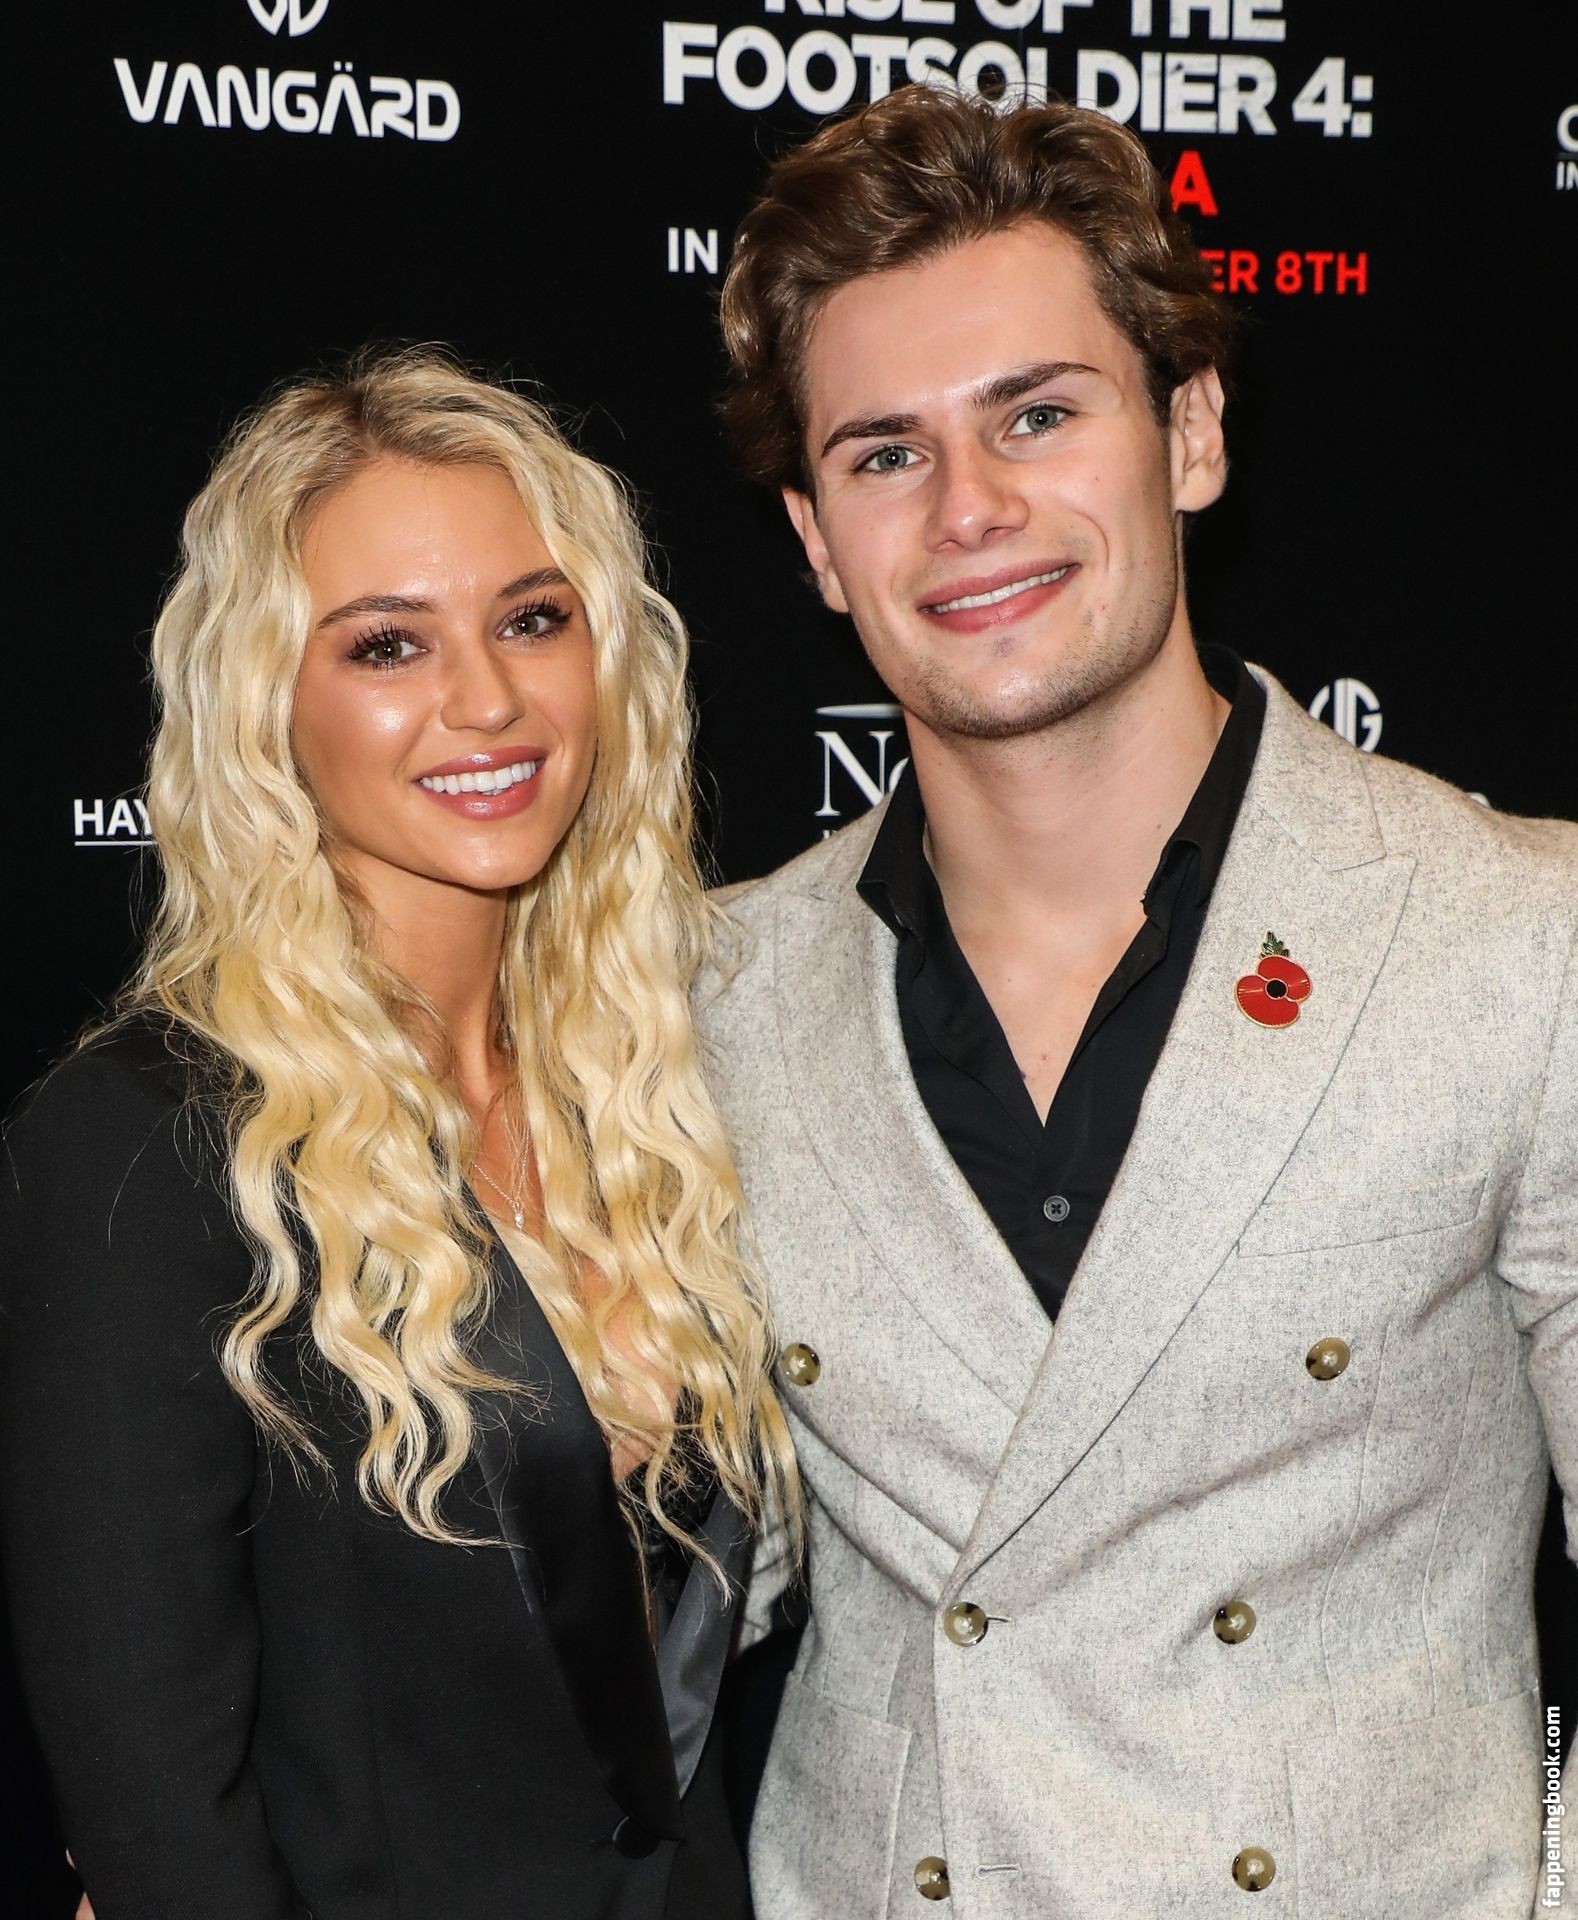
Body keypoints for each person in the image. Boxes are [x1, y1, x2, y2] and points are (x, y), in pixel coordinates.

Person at [701, 84, 1576, 1917]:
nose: (970, 509)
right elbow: (631, 1591)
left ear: (1187, 433)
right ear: (815, 540)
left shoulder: (1519, 939)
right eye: (885, 454)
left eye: (1037, 414)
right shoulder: (705, 1001)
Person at [0, 348, 798, 1920]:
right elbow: (159, 1817)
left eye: (532, 619)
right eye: (387, 644)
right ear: (267, 707)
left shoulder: (654, 1093)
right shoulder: (151, 1148)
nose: (487, 700)